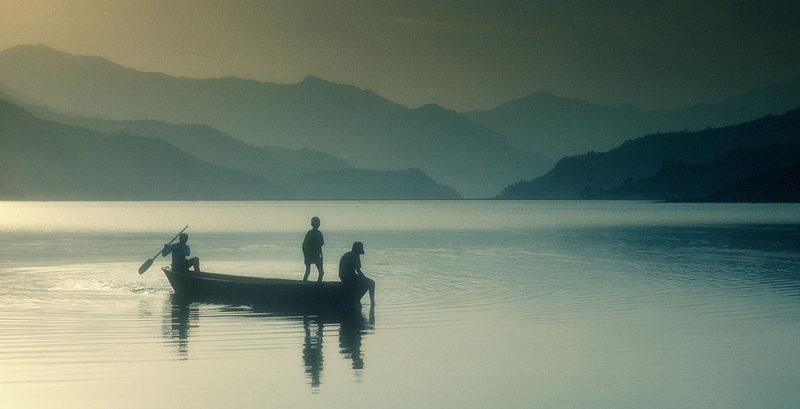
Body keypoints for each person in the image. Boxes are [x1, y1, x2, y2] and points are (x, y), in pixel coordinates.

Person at [302, 217, 325, 282]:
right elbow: (304, 246)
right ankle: (304, 284)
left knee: (321, 272)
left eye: (318, 223)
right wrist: (306, 257)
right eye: (316, 223)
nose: (318, 224)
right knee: (308, 272)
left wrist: (321, 255)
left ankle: (318, 284)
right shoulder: (310, 233)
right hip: (310, 255)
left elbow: (320, 245)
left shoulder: (319, 233)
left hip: (316, 255)